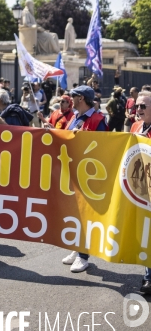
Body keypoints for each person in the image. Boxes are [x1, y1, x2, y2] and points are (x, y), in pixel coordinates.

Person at [62, 85, 107, 274]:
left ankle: (84, 255)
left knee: (85, 214)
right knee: (74, 212)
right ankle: (77, 247)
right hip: (72, 170)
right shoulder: (74, 117)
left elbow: (104, 146)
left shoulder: (98, 119)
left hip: (89, 174)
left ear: (81, 98)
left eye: (73, 97)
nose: (71, 100)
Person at [130, 90, 151, 294]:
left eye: (143, 106)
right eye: (137, 106)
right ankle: (148, 278)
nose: (138, 109)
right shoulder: (136, 126)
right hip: (140, 188)